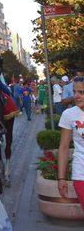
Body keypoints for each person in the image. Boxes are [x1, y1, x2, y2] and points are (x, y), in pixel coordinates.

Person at [57, 79, 84, 210]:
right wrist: (61, 178)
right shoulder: (69, 114)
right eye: (74, 92)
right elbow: (63, 147)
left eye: (81, 92)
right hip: (81, 173)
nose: (76, 96)